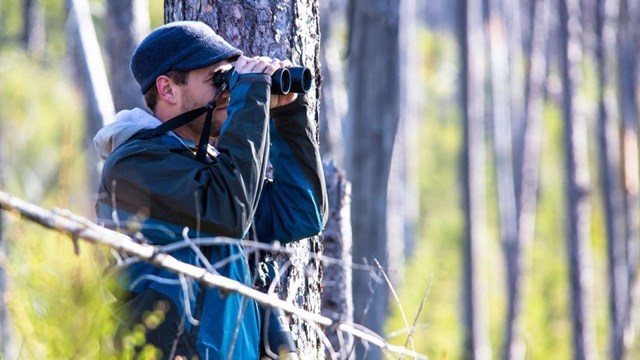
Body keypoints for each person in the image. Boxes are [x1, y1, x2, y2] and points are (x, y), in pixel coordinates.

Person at [93, 21, 327, 359]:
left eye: (230, 79)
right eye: (218, 80)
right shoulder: (134, 164)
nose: (228, 92)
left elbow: (300, 214)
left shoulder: (212, 171)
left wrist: (289, 116)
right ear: (168, 89)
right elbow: (229, 214)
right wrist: (250, 97)